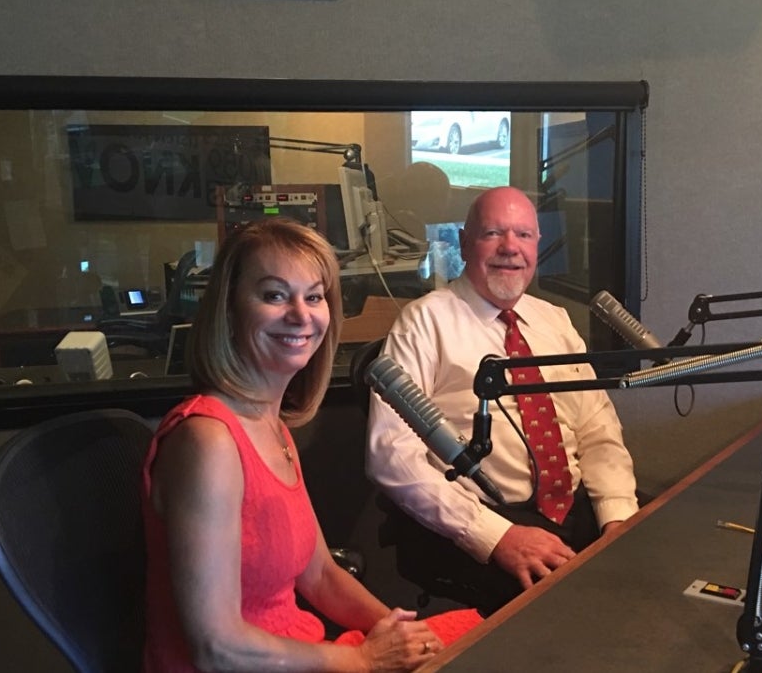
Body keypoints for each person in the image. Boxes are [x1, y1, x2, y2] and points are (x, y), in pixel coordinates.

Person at [141, 217, 479, 672]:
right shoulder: (208, 441)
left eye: (314, 296)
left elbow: (319, 574)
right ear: (230, 309)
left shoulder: (272, 426)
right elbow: (216, 648)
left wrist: (407, 641)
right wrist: (363, 660)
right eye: (275, 295)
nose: (301, 315)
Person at [366, 187, 639, 615]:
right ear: (462, 242)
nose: (510, 248)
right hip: (484, 515)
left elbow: (597, 428)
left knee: (639, 585)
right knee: (572, 613)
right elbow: (390, 455)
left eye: (524, 235)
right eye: (493, 233)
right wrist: (495, 537)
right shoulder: (425, 321)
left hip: (572, 508)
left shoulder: (555, 321)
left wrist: (618, 516)